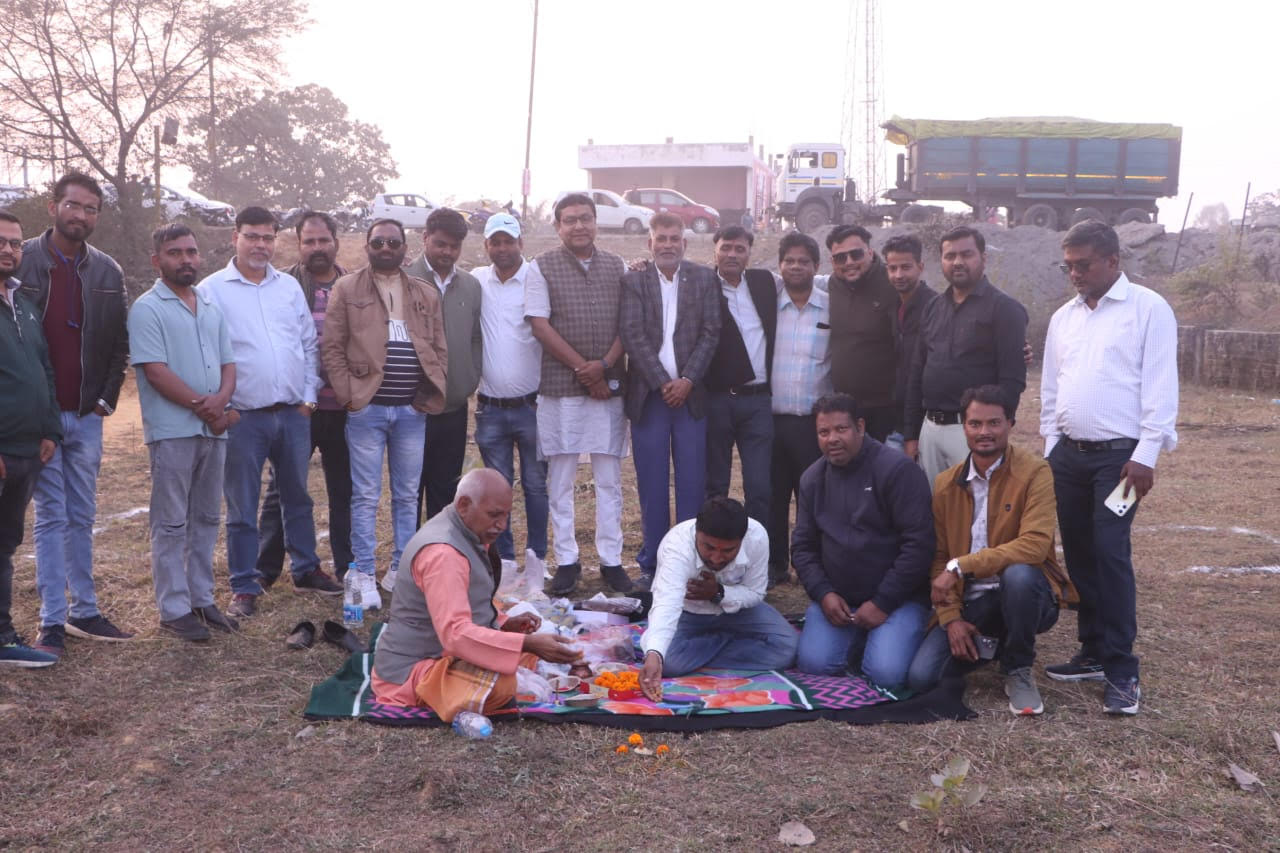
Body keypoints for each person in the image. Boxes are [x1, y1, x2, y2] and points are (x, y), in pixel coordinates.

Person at [1040, 220, 1178, 716]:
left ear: (1113, 261)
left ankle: (1122, 669)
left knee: (1110, 550)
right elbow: (1052, 387)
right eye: (1069, 266)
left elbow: (1161, 384)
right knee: (1079, 553)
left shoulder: (1148, 308)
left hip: (1121, 463)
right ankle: (1093, 650)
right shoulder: (1064, 318)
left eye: (1084, 264)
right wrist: (1051, 447)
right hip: (1068, 459)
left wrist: (1146, 454)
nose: (1075, 274)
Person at [199, 206, 342, 618]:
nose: (260, 245)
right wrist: (224, 406)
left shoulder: (288, 287)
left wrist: (308, 398)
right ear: (235, 238)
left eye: (267, 237)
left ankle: (306, 569)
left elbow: (308, 344)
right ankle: (245, 584)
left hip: (293, 414)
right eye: (252, 236)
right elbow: (205, 352)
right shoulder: (212, 290)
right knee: (242, 505)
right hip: (243, 418)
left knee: (297, 497)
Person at [905, 386, 1077, 713]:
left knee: (1019, 576)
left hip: (1027, 593)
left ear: (1010, 423)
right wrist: (951, 619)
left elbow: (1034, 545)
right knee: (922, 677)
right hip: (974, 599)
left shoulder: (1036, 472)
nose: (984, 432)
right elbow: (939, 557)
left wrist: (961, 565)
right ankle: (994, 643)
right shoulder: (945, 484)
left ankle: (1018, 667)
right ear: (964, 426)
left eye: (994, 423)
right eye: (975, 423)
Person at [16, 173, 131, 656]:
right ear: (53, 207)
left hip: (86, 417)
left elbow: (119, 343)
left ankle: (85, 610)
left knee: (82, 515)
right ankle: (52, 622)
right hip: (41, 419)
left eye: (90, 208)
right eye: (72, 205)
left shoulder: (108, 271)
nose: (80, 215)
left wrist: (105, 400)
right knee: (51, 517)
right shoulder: (21, 261)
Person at [371, 469, 582, 731]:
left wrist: (504, 624)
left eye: (506, 515)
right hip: (412, 671)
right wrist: (526, 643)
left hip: (445, 652)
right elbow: (455, 634)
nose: (502, 525)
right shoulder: (444, 554)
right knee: (503, 683)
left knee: (529, 656)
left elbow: (466, 599)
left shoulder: (466, 529)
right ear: (463, 505)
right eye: (494, 515)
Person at [322, 219, 448, 599]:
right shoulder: (346, 288)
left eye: (393, 242)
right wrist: (350, 397)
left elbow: (439, 347)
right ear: (367, 247)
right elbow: (332, 347)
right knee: (364, 496)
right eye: (378, 242)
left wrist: (430, 390)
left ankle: (401, 571)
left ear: (405, 248)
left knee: (407, 495)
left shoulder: (425, 292)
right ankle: (362, 573)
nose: (386, 248)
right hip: (367, 411)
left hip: (412, 413)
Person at [128, 225, 242, 641]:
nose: (186, 259)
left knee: (207, 517)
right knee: (171, 521)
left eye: (191, 251)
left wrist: (221, 400)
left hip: (213, 430)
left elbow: (229, 364)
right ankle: (174, 608)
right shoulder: (147, 308)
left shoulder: (209, 307)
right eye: (175, 253)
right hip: (173, 431)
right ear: (157, 260)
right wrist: (205, 407)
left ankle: (201, 597)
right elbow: (155, 371)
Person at [791, 394, 933, 692]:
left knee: (886, 674)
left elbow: (919, 546)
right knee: (814, 666)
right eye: (823, 432)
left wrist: (882, 603)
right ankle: (862, 638)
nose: (832, 439)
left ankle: (888, 636)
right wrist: (824, 594)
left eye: (841, 429)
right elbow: (802, 547)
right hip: (839, 601)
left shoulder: (898, 471)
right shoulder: (812, 479)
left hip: (897, 600)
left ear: (860, 427)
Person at [526, 193, 631, 595]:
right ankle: (567, 560)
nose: (579, 226)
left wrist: (603, 365)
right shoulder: (541, 267)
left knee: (609, 479)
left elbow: (628, 323)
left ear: (596, 222)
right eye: (569, 220)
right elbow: (540, 325)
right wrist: (585, 371)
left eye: (585, 218)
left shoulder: (617, 266)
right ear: (558, 226)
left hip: (608, 388)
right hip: (561, 388)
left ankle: (611, 560)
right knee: (561, 479)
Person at [620, 212, 720, 588]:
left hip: (690, 397)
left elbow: (711, 332)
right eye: (660, 238)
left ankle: (691, 561)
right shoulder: (633, 281)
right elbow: (632, 333)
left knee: (693, 483)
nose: (667, 244)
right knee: (652, 483)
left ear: (684, 242)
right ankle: (654, 562)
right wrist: (664, 382)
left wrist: (687, 380)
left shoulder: (704, 278)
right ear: (650, 243)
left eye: (673, 238)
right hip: (650, 396)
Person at [256, 211, 352, 586]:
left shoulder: (353, 285)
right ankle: (264, 569)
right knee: (283, 488)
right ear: (298, 245)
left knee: (344, 489)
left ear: (335, 242)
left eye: (323, 240)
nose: (317, 247)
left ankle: (347, 567)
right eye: (309, 241)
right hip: (298, 407)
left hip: (344, 407)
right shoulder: (282, 286)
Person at [904, 226, 1028, 486]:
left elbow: (1012, 380)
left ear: (983, 258)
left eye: (966, 254)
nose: (957, 262)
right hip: (930, 429)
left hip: (972, 432)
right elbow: (917, 372)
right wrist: (912, 434)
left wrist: (992, 432)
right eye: (950, 256)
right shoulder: (933, 308)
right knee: (934, 505)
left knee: (977, 505)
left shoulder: (1005, 309)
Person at [638, 497, 797, 697]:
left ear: (742, 539)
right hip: (688, 613)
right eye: (709, 547)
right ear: (697, 533)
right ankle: (726, 640)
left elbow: (756, 592)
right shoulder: (676, 547)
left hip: (738, 612)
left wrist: (719, 593)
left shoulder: (756, 537)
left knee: (786, 650)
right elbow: (667, 603)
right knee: (666, 662)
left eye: (728, 550)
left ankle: (699, 650)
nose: (716, 558)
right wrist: (655, 653)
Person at [471, 213, 549, 583]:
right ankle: (504, 561)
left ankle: (537, 559)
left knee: (535, 485)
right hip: (490, 407)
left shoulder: (537, 278)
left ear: (521, 243)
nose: (502, 248)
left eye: (509, 241)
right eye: (495, 242)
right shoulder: (476, 281)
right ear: (486, 245)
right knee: (497, 492)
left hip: (533, 406)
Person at [0, 210, 61, 667]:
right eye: (0, 241)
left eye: (15, 243)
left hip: (27, 450)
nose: (8, 250)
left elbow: (43, 369)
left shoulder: (23, 304)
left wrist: (50, 429)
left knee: (4, 543)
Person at [407, 208, 482, 527]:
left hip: (453, 407)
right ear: (425, 238)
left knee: (445, 490)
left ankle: (440, 551)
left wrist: (468, 378)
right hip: (411, 408)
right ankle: (409, 553)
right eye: (440, 244)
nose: (447, 252)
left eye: (454, 246)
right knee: (409, 491)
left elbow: (475, 337)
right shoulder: (402, 280)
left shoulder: (470, 286)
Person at [767, 232, 832, 587]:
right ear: (780, 265)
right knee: (772, 495)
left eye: (803, 261)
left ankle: (810, 566)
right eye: (789, 261)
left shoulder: (832, 307)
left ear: (816, 266)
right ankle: (775, 564)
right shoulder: (766, 304)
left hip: (813, 422)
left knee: (813, 496)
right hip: (771, 419)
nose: (795, 267)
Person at [703, 225, 777, 531]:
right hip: (717, 400)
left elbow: (812, 280)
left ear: (749, 253)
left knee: (760, 487)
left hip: (758, 402)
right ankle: (715, 548)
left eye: (739, 249)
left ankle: (755, 550)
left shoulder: (765, 282)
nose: (732, 254)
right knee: (715, 484)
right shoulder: (700, 284)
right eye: (726, 247)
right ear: (715, 251)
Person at [825, 225, 899, 441]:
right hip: (845, 408)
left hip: (886, 408)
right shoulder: (832, 286)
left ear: (870, 252)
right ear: (832, 262)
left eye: (856, 254)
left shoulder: (892, 283)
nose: (849, 262)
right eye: (840, 258)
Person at [883, 234, 938, 452]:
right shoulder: (891, 305)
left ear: (920, 267)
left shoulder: (936, 307)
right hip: (894, 419)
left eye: (906, 267)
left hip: (925, 422)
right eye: (892, 268)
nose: (898, 275)